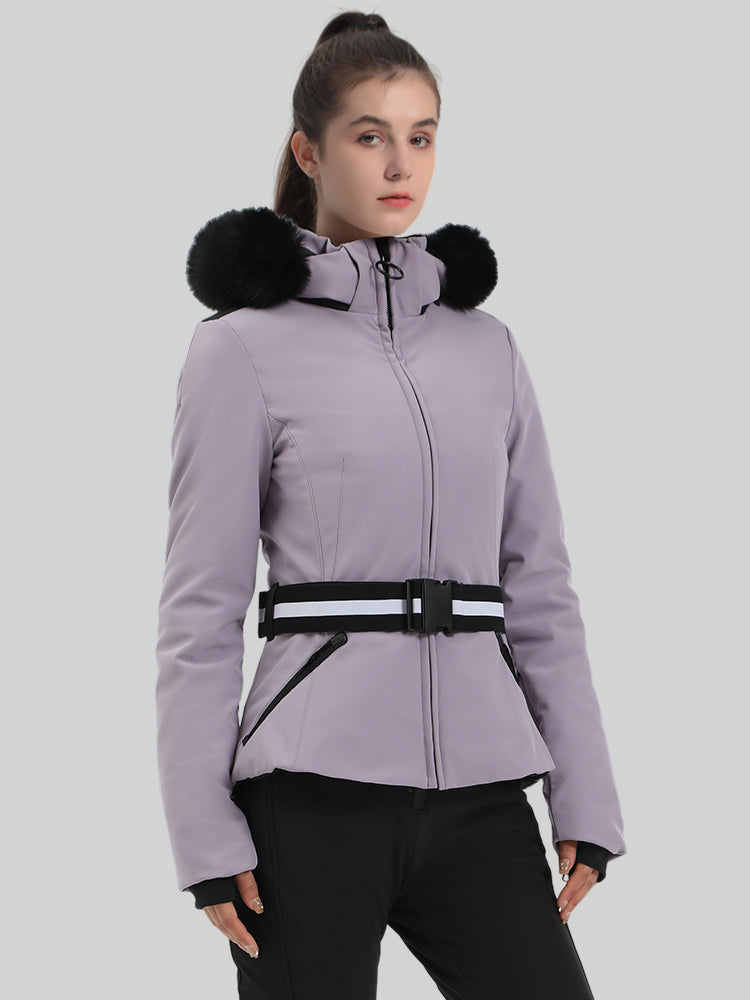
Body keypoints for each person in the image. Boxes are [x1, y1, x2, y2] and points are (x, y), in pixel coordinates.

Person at [155, 9, 626, 999]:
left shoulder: (487, 346)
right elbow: (199, 611)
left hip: (482, 795)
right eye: (369, 135)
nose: (400, 163)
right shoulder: (239, 347)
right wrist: (204, 834)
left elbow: (541, 585)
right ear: (309, 151)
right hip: (310, 796)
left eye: (421, 135)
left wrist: (585, 791)